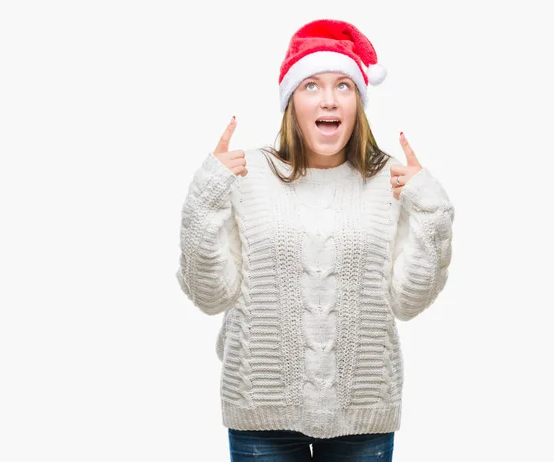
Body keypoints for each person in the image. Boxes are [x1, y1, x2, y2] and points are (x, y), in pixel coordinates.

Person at [176, 18, 455, 461]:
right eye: (311, 86)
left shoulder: (391, 182)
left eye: (343, 85)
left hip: (363, 413)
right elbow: (211, 297)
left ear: (358, 102)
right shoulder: (245, 174)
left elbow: (409, 301)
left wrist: (433, 211)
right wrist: (203, 198)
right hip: (260, 412)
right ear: (291, 102)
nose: (328, 99)